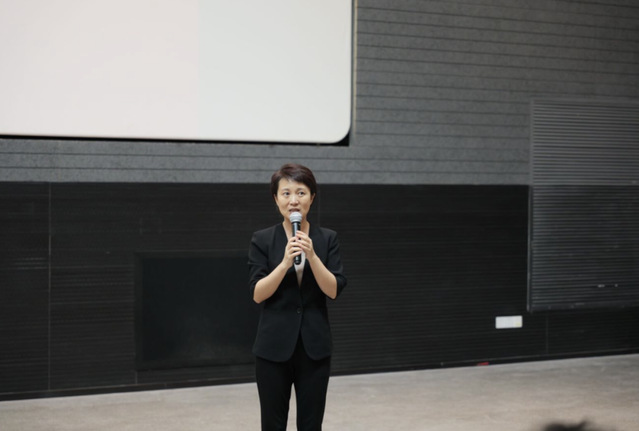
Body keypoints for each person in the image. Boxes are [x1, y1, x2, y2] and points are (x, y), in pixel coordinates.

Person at [248, 163, 347, 431]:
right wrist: (283, 264)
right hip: (273, 348)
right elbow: (257, 294)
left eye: (301, 193)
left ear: (312, 198)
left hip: (314, 348)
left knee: (311, 425)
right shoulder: (262, 239)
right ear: (276, 199)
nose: (294, 200)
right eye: (286, 193)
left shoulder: (327, 239)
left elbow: (333, 289)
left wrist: (312, 256)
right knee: (272, 424)